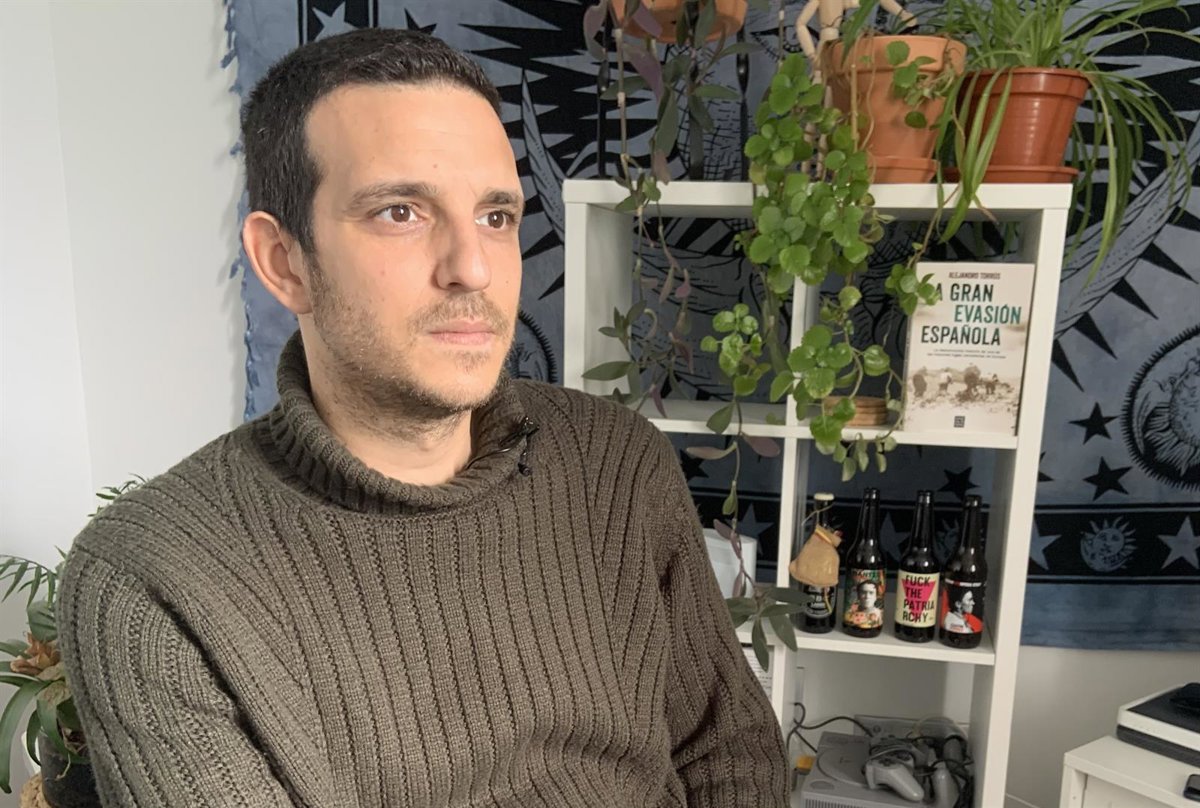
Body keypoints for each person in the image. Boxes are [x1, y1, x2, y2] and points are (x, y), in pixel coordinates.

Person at [55, 29, 788, 808]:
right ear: (283, 262)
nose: (472, 267)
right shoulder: (153, 580)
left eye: (496, 217)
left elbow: (729, 752)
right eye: (400, 212)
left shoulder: (616, 464)